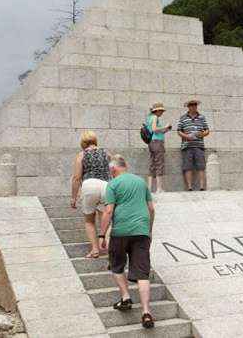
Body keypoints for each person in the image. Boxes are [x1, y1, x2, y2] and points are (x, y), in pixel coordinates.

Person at [99, 155, 156, 330]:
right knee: (142, 273)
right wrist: (149, 230)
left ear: (113, 169)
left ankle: (125, 297)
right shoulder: (140, 182)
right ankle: (146, 312)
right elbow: (151, 208)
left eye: (111, 171)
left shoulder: (113, 184)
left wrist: (102, 234)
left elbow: (108, 211)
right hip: (142, 231)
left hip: (120, 232)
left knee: (116, 265)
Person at [70, 131, 111, 259]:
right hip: (106, 186)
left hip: (89, 185)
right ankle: (107, 247)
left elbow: (76, 178)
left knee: (89, 221)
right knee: (105, 218)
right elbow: (115, 169)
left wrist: (74, 197)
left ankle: (95, 250)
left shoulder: (81, 155)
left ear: (83, 142)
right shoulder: (107, 153)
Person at [177, 100, 210, 191]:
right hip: (187, 145)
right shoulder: (183, 118)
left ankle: (202, 187)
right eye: (191, 105)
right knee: (187, 167)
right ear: (188, 107)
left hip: (199, 145)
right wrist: (186, 136)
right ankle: (189, 187)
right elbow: (179, 131)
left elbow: (207, 130)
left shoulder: (202, 117)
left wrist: (202, 134)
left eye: (195, 105)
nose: (193, 106)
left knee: (201, 166)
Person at [146, 102, 171, 193]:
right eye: (161, 111)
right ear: (157, 110)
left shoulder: (149, 118)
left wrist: (165, 130)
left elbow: (154, 131)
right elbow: (154, 129)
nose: (162, 113)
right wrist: (165, 126)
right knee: (159, 163)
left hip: (151, 142)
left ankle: (149, 188)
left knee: (152, 164)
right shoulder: (155, 117)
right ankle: (159, 188)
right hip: (157, 142)